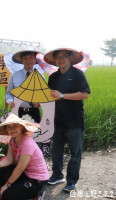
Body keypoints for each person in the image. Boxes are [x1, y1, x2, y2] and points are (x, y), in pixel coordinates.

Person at [45, 48, 90, 192]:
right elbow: (48, 96)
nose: (60, 60)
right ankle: (57, 175)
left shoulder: (78, 75)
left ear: (70, 58)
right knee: (56, 151)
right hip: (57, 120)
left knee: (75, 152)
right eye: (58, 57)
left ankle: (71, 181)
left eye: (64, 56)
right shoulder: (53, 77)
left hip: (74, 121)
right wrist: (39, 102)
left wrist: (62, 95)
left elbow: (84, 94)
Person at [0, 113, 48, 200]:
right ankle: (1, 193)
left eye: (15, 126)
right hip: (26, 174)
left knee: (8, 195)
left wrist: (7, 185)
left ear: (21, 127)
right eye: (9, 127)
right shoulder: (12, 140)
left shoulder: (27, 143)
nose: (12, 129)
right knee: (3, 167)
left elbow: (20, 168)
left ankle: (37, 194)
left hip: (37, 180)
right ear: (7, 130)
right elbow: (9, 159)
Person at [5, 49, 51, 157]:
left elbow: (44, 94)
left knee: (34, 137)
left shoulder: (40, 75)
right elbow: (8, 94)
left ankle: (32, 161)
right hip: (18, 112)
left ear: (35, 60)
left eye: (31, 58)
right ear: (21, 61)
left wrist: (40, 102)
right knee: (17, 137)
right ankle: (18, 160)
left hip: (34, 112)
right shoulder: (15, 75)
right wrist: (10, 101)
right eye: (25, 58)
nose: (28, 61)